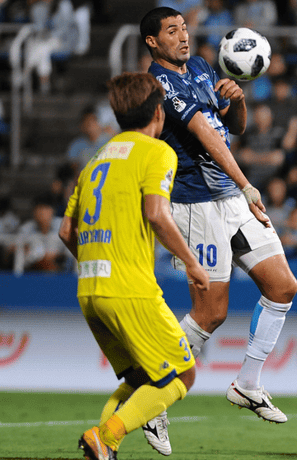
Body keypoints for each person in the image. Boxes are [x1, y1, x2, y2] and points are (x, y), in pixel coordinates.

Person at [141, 6, 297, 452]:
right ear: (153, 41)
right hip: (197, 204)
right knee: (211, 313)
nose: (183, 36)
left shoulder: (201, 68)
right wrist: (248, 185)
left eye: (185, 28)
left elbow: (231, 130)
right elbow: (204, 136)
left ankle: (247, 383)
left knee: (283, 286)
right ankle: (153, 396)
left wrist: (239, 99)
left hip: (231, 198)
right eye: (172, 31)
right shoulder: (160, 81)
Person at [58, 71, 210, 460]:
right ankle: (105, 437)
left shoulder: (95, 159)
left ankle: (101, 449)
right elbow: (157, 214)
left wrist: (98, 263)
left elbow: (65, 231)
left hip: (90, 292)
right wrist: (192, 263)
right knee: (182, 373)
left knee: (141, 377)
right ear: (158, 113)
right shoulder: (157, 151)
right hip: (131, 288)